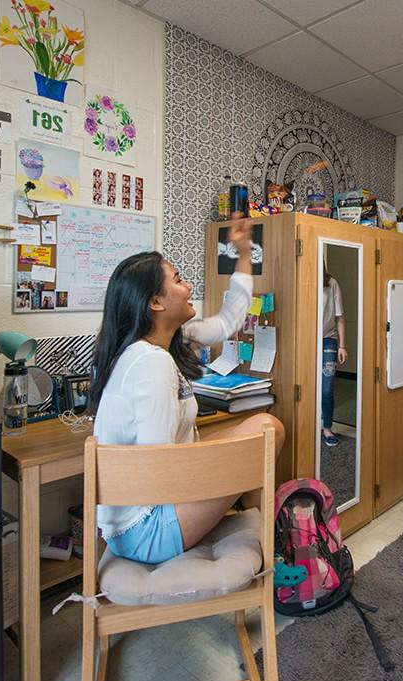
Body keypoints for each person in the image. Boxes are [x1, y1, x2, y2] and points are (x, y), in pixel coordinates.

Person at [88, 215, 285, 566]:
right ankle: (274, 539)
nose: (190, 285)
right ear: (155, 303)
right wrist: (229, 471)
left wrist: (243, 255)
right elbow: (162, 467)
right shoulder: (151, 363)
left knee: (261, 430)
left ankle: (268, 535)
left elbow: (229, 320)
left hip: (144, 514)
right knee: (267, 430)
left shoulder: (165, 344)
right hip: (148, 529)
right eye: (178, 280)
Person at [320, 269, 346, 447]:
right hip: (305, 341)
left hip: (328, 339)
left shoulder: (331, 284)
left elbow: (340, 318)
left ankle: (327, 428)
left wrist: (342, 346)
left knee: (326, 388)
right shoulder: (303, 281)